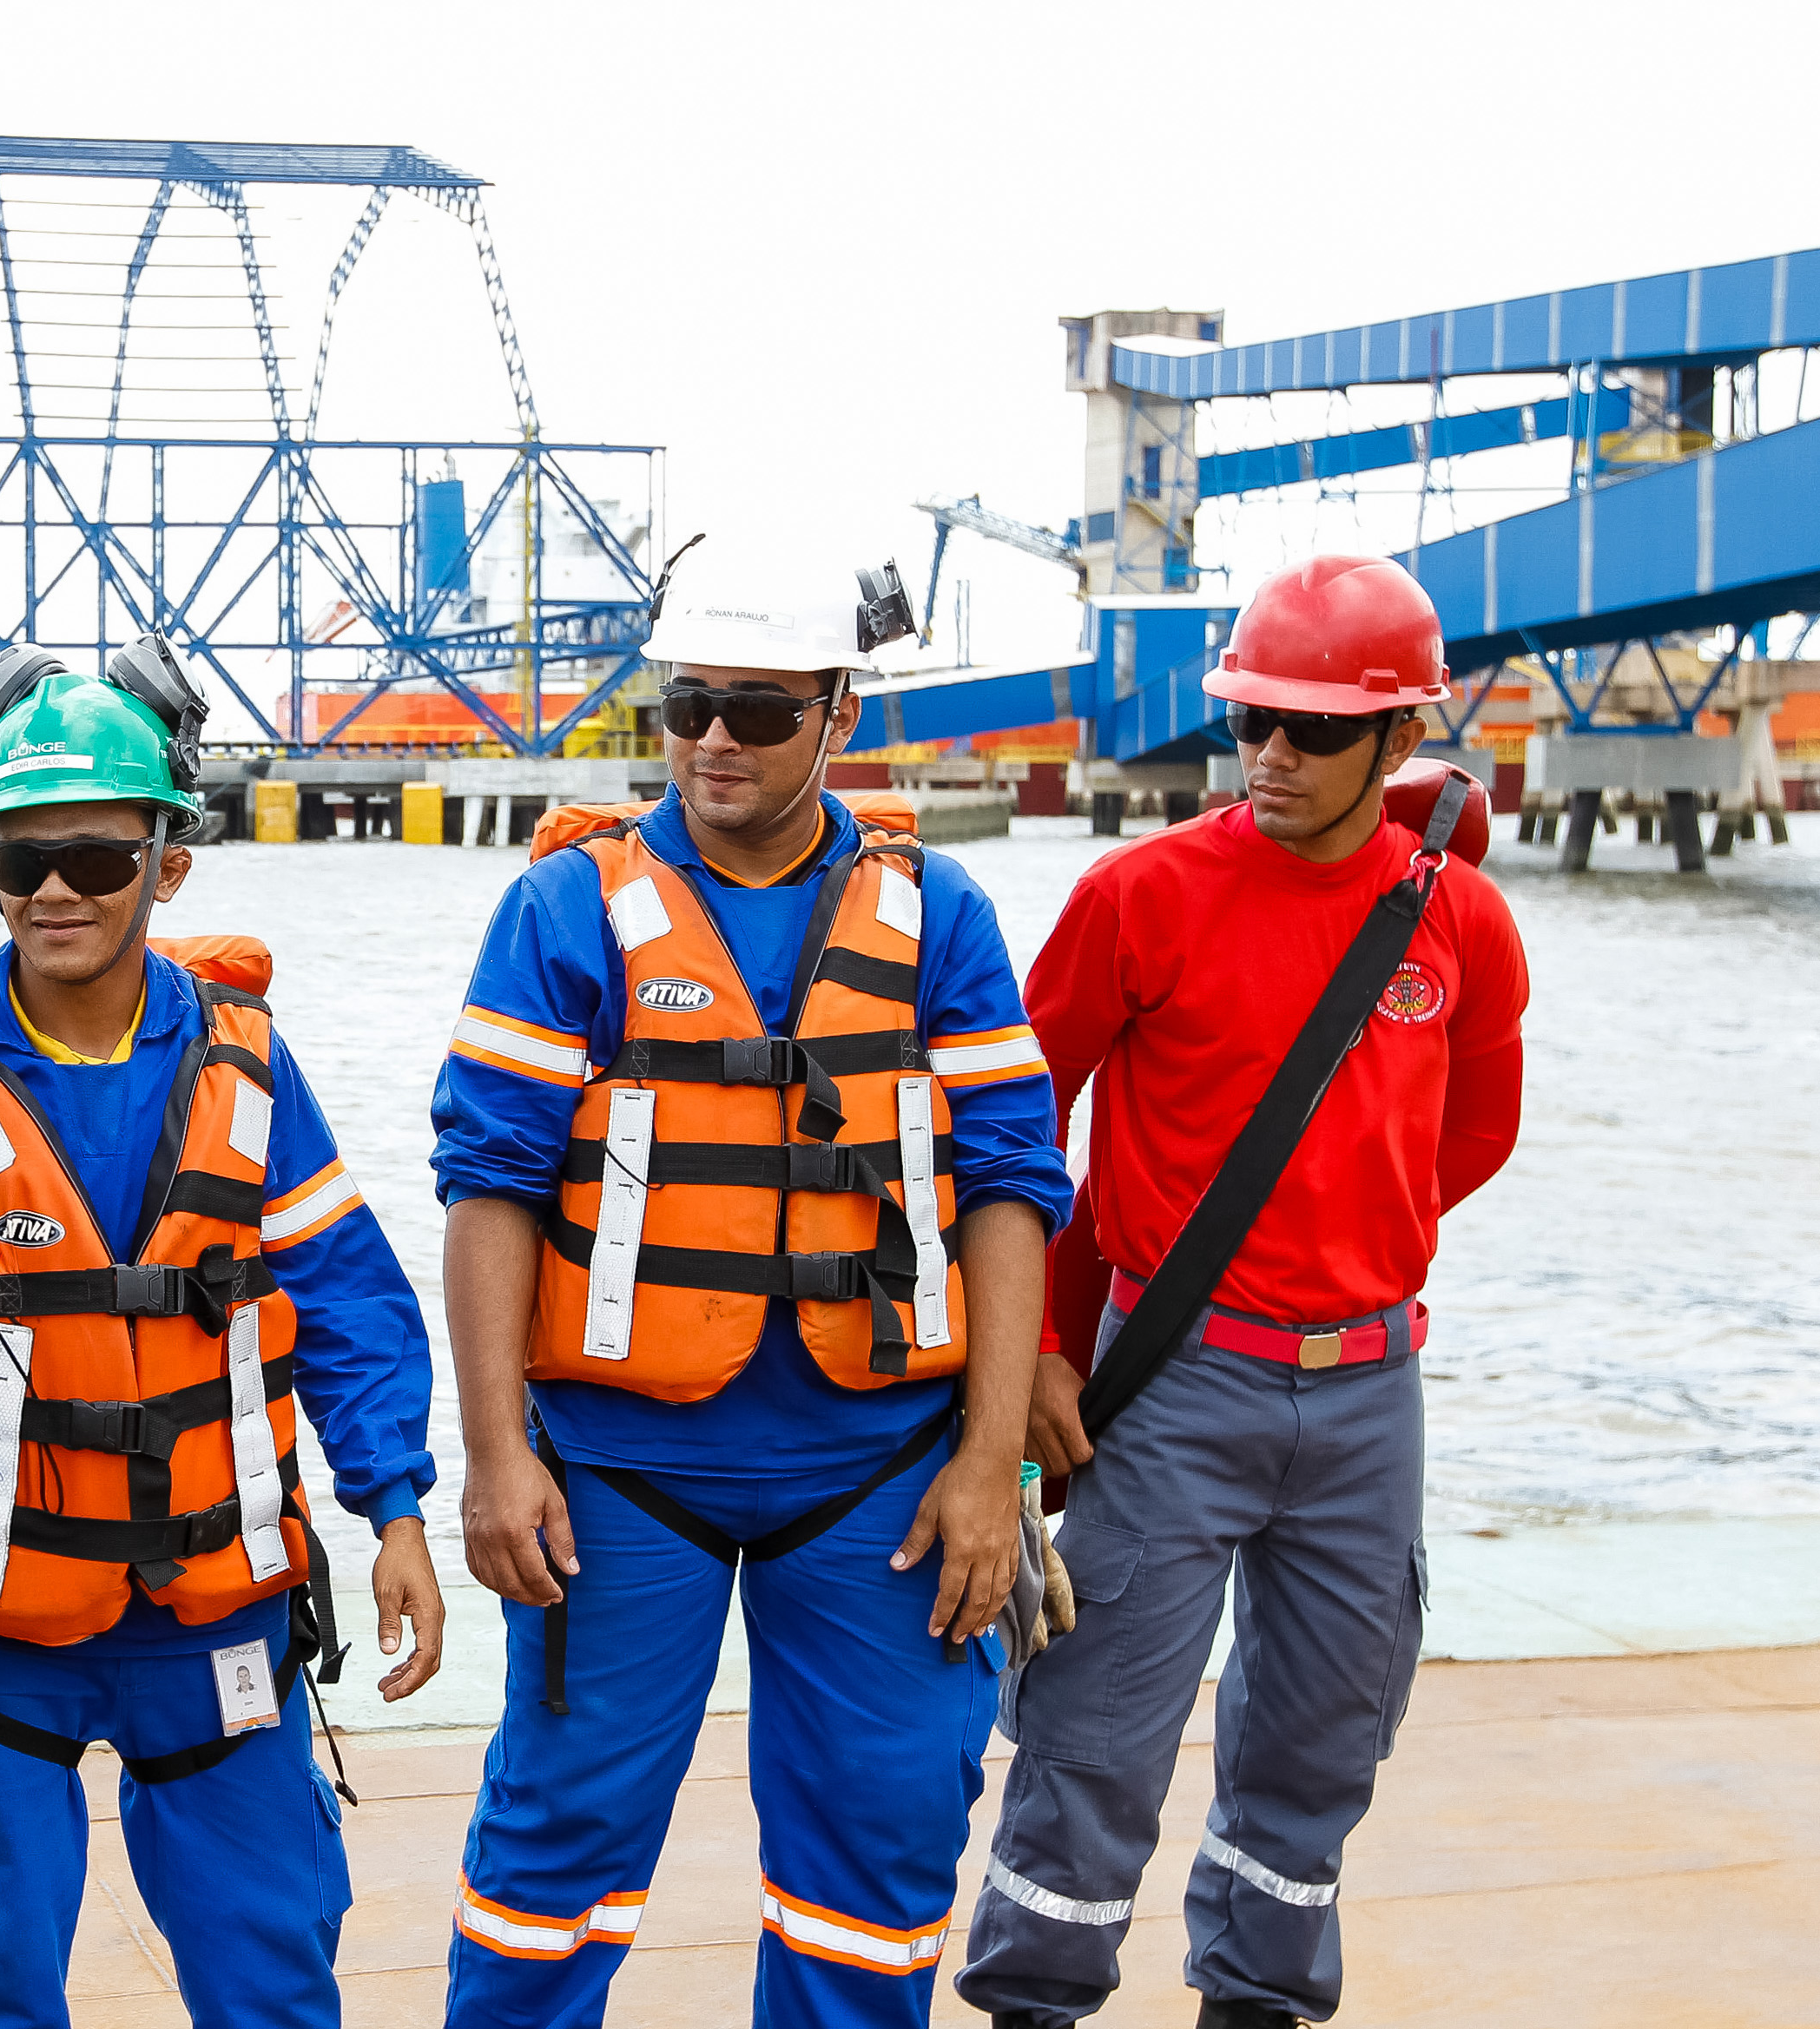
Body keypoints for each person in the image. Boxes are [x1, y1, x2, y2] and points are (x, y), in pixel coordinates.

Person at [432, 547, 1072, 2028]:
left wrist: (990, 1467)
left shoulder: (942, 916)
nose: (715, 736)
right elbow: (488, 1184)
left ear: (836, 715)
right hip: (615, 1475)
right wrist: (490, 1456)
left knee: (882, 1850)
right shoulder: (563, 910)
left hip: (882, 1478)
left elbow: (1011, 1188)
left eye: (759, 711)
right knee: (553, 1853)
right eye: (688, 702)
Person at [0, 637, 445, 2029]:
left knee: (270, 1965)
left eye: (98, 859)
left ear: (168, 861)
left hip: (217, 1614)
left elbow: (347, 1292)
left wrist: (396, 1508)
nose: (53, 888)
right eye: (17, 857)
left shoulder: (247, 1058)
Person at [956, 556, 1530, 2029]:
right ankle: (1031, 2007)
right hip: (1173, 1381)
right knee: (1091, 1738)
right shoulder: (1138, 894)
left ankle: (1257, 2006)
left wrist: (1341, 1249)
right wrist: (1032, 1363)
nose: (1270, 754)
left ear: (1400, 740)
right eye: (1249, 721)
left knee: (1325, 1741)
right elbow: (1010, 1135)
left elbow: (1470, 1136)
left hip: (1368, 1394)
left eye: (1310, 729)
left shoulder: (1457, 922)